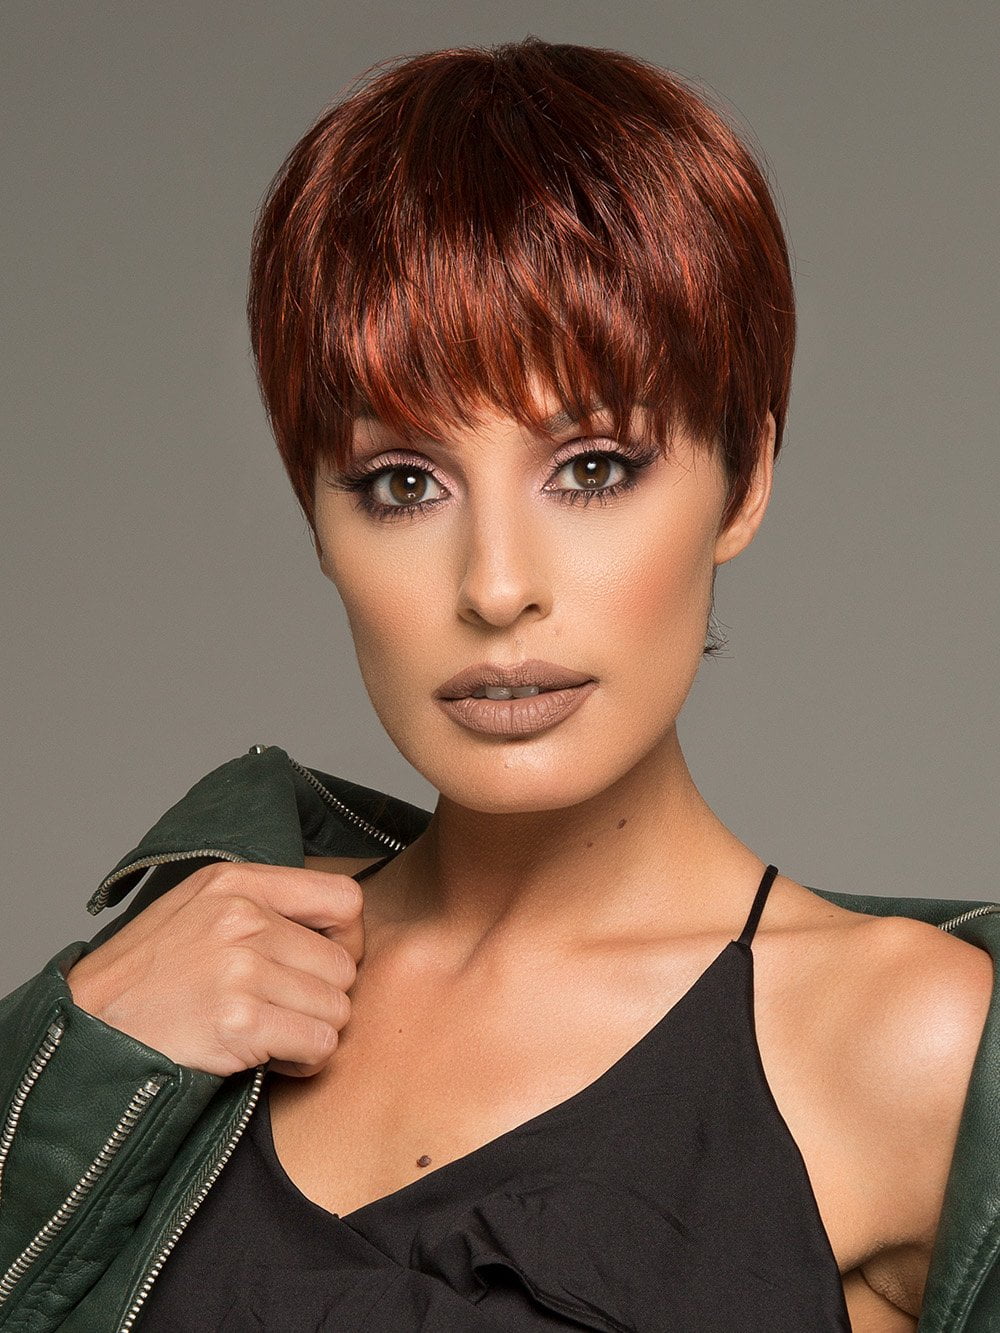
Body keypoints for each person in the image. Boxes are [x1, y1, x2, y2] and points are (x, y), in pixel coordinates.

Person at [0, 36, 997, 1333]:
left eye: (592, 468)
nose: (496, 584)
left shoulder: (906, 1041)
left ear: (744, 479)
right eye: (403, 483)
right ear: (317, 516)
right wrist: (79, 1056)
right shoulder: (193, 978)